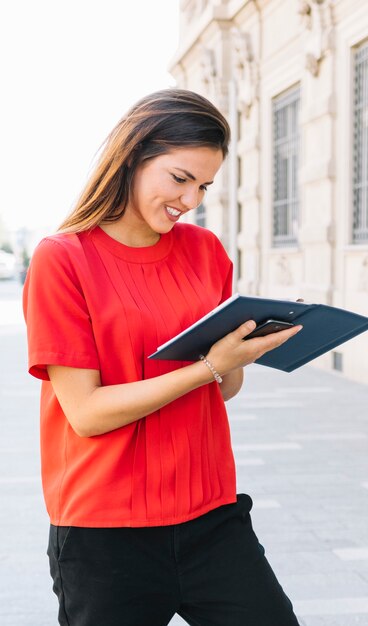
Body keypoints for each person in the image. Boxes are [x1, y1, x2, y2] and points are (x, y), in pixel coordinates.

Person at [23, 88, 303, 626]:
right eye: (180, 179)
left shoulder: (206, 253)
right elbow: (87, 412)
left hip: (212, 516)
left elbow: (224, 388)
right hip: (105, 533)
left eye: (204, 185)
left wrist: (241, 350)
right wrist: (208, 365)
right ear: (132, 156)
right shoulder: (63, 259)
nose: (191, 199)